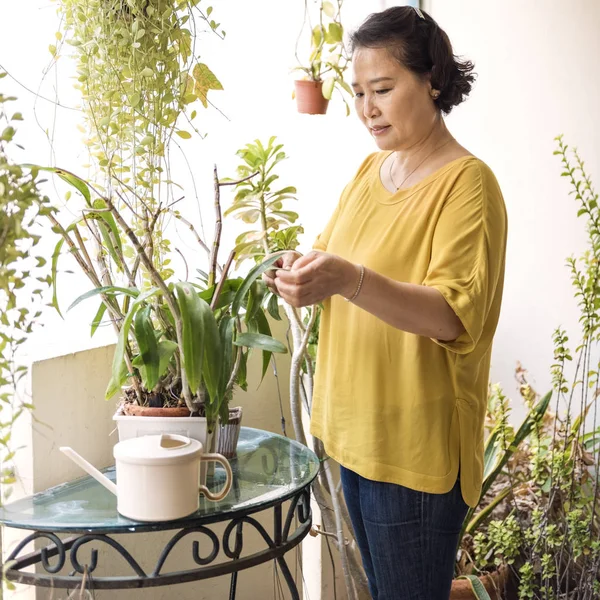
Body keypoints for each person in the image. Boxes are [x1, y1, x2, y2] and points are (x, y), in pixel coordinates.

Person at [264, 6, 507, 599]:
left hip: (412, 451)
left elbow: (450, 314)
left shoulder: (467, 184)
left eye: (383, 89)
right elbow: (330, 256)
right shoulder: (369, 173)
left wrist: (348, 279)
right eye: (357, 92)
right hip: (353, 434)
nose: (366, 108)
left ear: (434, 82)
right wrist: (299, 270)